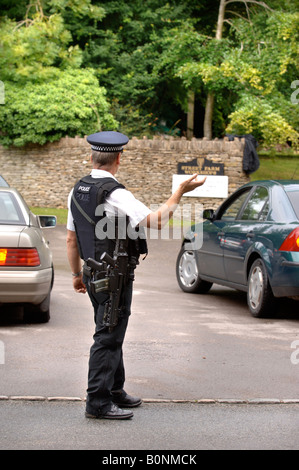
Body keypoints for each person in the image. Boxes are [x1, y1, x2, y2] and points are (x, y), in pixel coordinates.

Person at [66, 131, 206, 420]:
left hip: (92, 274)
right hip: (114, 277)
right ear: (119, 158)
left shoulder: (77, 190)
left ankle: (115, 391)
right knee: (107, 336)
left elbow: (70, 239)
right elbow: (156, 222)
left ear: (92, 157)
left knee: (111, 330)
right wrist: (179, 192)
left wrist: (76, 275)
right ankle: (98, 402)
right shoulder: (116, 193)